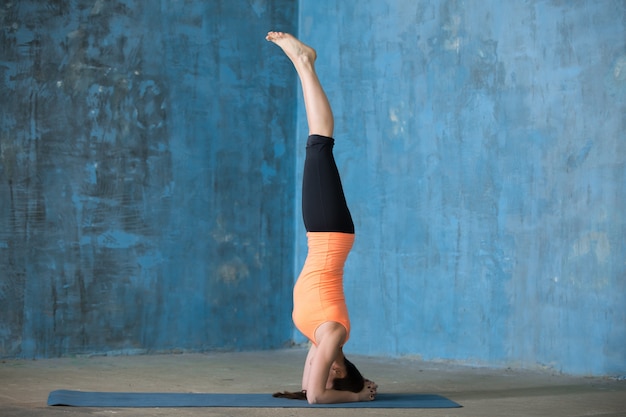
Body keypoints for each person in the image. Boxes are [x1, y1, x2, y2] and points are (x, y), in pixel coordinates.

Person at [266, 31, 378, 404]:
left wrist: (348, 388)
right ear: (344, 370)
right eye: (336, 374)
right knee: (320, 145)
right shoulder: (333, 335)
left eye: (326, 375)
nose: (325, 370)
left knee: (318, 147)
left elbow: (309, 392)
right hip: (330, 236)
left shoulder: (321, 342)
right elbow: (317, 398)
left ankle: (304, 63)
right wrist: (358, 396)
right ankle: (304, 61)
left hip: (325, 235)